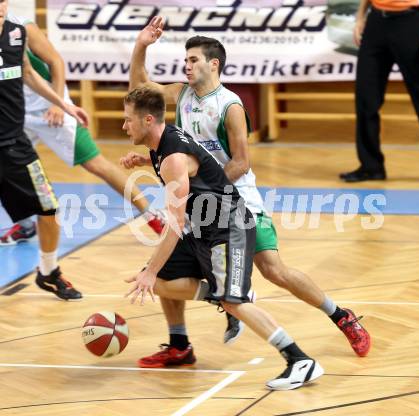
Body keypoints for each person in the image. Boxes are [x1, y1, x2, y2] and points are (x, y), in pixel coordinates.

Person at [122, 16, 370, 368]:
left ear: (213, 64)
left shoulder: (230, 106)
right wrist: (141, 45)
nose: (186, 65)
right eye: (185, 59)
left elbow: (240, 161)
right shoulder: (181, 94)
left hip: (235, 201)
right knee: (164, 265)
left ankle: (341, 315)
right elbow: (140, 93)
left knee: (274, 270)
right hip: (200, 201)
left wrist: (203, 184)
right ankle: (179, 342)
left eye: (193, 60)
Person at [121, 86, 324, 390]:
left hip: (230, 228)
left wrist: (150, 271)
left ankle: (299, 360)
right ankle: (206, 310)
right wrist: (151, 272)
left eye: (128, 120)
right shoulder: (161, 141)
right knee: (159, 279)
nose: (124, 126)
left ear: (148, 120)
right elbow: (187, 168)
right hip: (206, 229)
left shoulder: (171, 156)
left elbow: (175, 223)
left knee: (230, 300)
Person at [0, 14, 164, 245]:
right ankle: (26, 224)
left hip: (49, 109)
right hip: (15, 113)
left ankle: (153, 215)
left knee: (96, 164)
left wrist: (58, 104)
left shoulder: (21, 27)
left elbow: (56, 61)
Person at [0, 0, 88, 300]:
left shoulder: (16, 32)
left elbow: (28, 73)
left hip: (15, 144)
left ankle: (48, 271)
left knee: (48, 207)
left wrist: (63, 103)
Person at [340, 0, 419, 182]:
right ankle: (371, 167)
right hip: (376, 22)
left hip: (409, 22)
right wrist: (360, 17)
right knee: (365, 98)